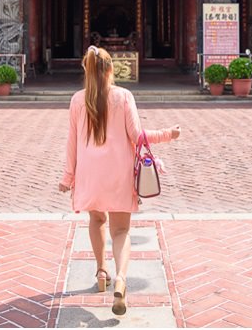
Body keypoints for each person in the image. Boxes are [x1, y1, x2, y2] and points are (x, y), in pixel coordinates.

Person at [59, 46, 180, 315]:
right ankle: (121, 279)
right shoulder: (123, 96)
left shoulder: (78, 100)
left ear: (86, 70)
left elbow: (72, 143)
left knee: (96, 220)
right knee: (121, 231)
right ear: (111, 69)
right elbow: (137, 136)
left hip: (89, 173)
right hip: (118, 172)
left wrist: (68, 177)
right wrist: (167, 134)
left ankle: (101, 272)